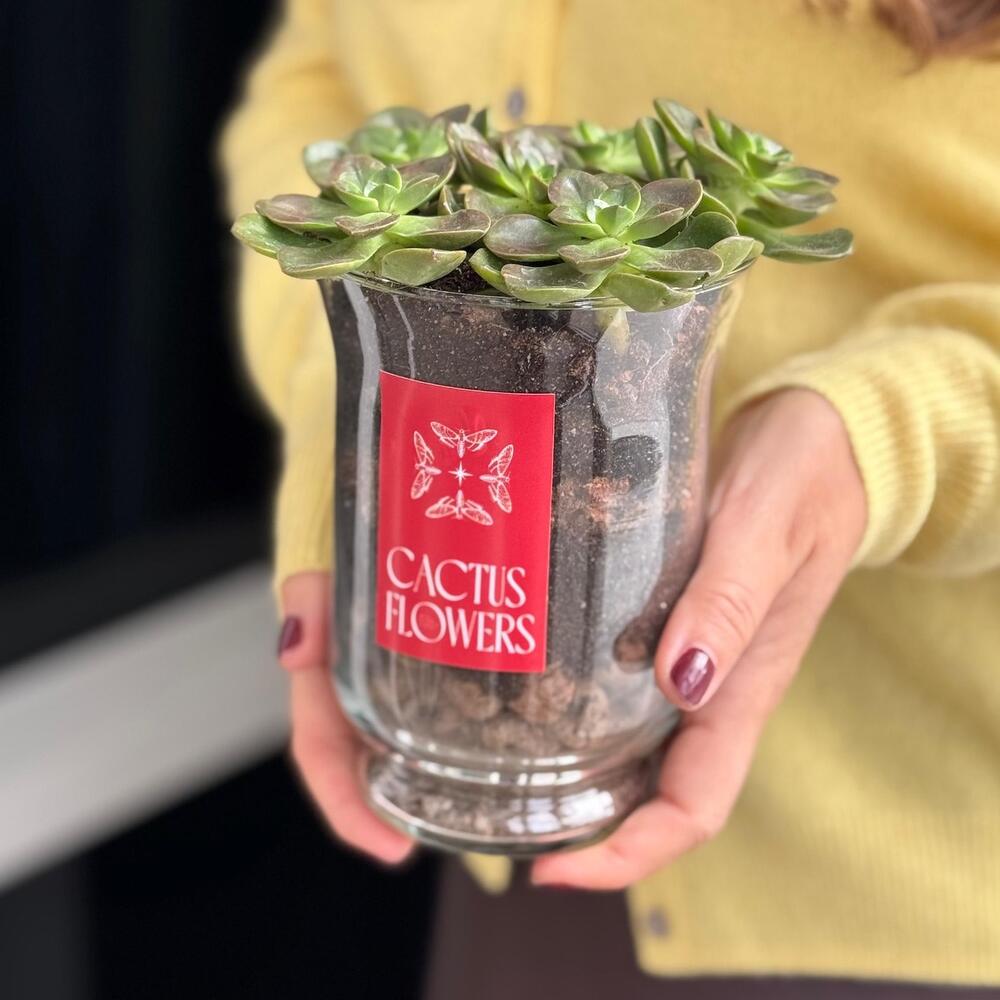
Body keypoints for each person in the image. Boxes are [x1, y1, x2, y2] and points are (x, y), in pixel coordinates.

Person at [221, 1, 1000, 994]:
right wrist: (344, 383)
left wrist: (877, 437)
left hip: (893, 880)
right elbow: (321, 73)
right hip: (498, 833)